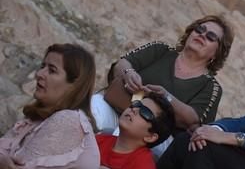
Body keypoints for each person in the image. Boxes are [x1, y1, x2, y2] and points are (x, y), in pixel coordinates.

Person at [91, 16, 233, 155]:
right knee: (92, 108)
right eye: (199, 29)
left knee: (129, 131)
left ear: (217, 52)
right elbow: (122, 63)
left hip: (157, 136)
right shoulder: (160, 50)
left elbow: (193, 120)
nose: (202, 35)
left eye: (211, 37)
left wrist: (166, 97)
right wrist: (129, 73)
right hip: (119, 108)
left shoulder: (211, 86)